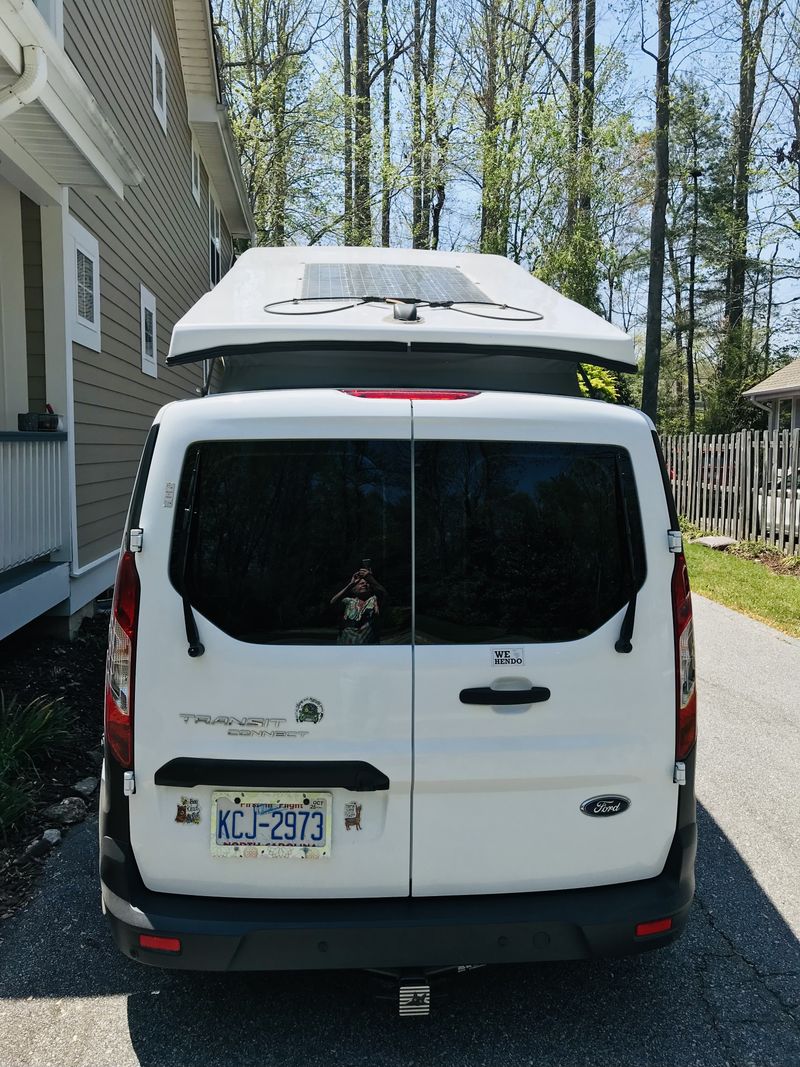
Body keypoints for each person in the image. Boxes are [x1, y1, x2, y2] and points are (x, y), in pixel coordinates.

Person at [330, 565, 386, 644]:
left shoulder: (375, 600)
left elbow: (383, 594)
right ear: (354, 589)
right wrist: (350, 584)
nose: (364, 584)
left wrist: (370, 578)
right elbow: (333, 602)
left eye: (367, 583)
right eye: (360, 583)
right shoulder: (349, 601)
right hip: (345, 647)